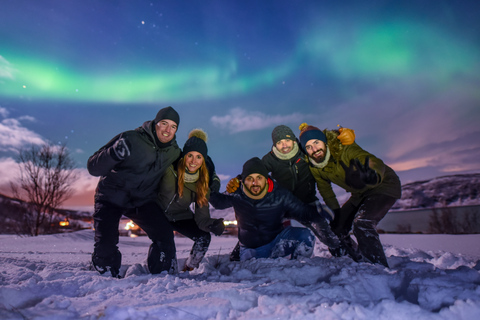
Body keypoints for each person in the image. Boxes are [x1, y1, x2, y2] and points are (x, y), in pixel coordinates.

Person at [225, 124, 355, 260]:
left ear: (293, 140)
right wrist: (239, 179)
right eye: (279, 142)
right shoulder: (270, 159)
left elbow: (320, 143)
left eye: (286, 140)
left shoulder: (305, 152)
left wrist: (339, 138)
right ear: (275, 145)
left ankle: (343, 253)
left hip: (307, 201)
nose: (284, 145)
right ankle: (237, 255)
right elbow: (254, 171)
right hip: (283, 203)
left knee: (323, 227)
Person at [87, 106, 181, 277]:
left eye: (173, 126)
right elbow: (93, 166)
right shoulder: (130, 138)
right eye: (164, 123)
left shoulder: (174, 152)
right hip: (111, 196)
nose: (168, 130)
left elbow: (193, 168)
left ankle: (161, 272)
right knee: (106, 244)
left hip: (141, 199)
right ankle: (105, 268)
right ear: (155, 123)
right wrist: (114, 154)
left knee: (165, 235)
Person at [298, 123, 402, 267]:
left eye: (316, 143)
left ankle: (377, 268)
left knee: (362, 223)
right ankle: (352, 261)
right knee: (336, 229)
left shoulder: (343, 148)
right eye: (308, 147)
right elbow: (326, 191)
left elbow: (369, 159)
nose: (314, 149)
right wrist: (335, 213)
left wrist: (372, 174)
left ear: (324, 141)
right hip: (359, 193)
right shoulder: (315, 166)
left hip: (382, 185)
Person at [210, 157, 340, 261]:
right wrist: (205, 187)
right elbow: (218, 202)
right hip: (250, 250)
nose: (255, 183)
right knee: (252, 266)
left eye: (259, 178)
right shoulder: (236, 193)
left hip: (277, 242)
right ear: (243, 180)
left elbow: (300, 211)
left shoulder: (279, 194)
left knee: (306, 236)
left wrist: (318, 213)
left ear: (266, 179)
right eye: (250, 179)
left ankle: (297, 268)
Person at [157, 129, 225, 272]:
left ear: (203, 160)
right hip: (157, 214)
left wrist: (212, 224)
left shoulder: (203, 184)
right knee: (165, 249)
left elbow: (202, 219)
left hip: (180, 216)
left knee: (204, 237)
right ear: (184, 156)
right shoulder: (169, 170)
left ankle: (189, 268)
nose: (194, 161)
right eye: (190, 155)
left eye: (199, 157)